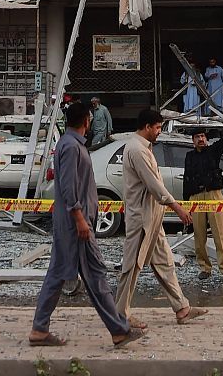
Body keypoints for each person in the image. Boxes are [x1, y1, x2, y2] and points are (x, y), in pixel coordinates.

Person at [30, 101, 141, 349]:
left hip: (73, 224)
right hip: (76, 226)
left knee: (59, 275)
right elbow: (69, 187)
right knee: (95, 275)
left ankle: (40, 328)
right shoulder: (71, 147)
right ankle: (118, 330)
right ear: (87, 121)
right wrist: (80, 218)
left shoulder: (69, 144)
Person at [115, 107, 207, 326]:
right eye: (157, 128)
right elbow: (154, 185)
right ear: (147, 127)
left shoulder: (144, 147)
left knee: (165, 262)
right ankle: (119, 315)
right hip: (142, 218)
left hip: (153, 216)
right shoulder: (136, 149)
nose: (159, 132)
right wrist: (177, 208)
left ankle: (182, 308)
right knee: (132, 266)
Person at [183, 125, 223, 282]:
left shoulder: (213, 151)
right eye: (197, 137)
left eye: (203, 136)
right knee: (199, 235)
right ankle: (204, 268)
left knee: (220, 233)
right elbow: (186, 178)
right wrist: (186, 205)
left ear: (206, 138)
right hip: (196, 197)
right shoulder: (190, 156)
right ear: (193, 141)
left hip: (213, 195)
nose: (201, 139)